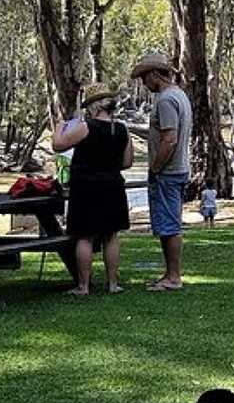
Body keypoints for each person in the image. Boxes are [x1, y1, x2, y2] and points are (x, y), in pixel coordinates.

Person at [52, 83, 133, 296]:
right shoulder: (122, 129)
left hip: (86, 187)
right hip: (113, 186)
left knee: (84, 236)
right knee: (111, 235)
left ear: (95, 107)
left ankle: (83, 286)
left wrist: (60, 126)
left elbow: (58, 145)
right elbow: (127, 162)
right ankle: (113, 284)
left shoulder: (86, 127)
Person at [131, 52, 192, 292]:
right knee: (169, 223)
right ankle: (169, 273)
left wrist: (155, 167)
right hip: (178, 169)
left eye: (145, 78)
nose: (144, 84)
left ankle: (174, 277)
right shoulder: (180, 95)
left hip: (167, 171)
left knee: (169, 226)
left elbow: (170, 139)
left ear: (156, 74)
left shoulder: (166, 100)